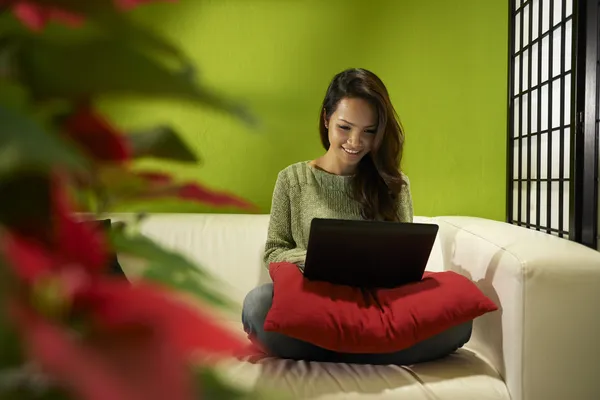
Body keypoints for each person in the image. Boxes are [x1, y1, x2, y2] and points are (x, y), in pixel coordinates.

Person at [242, 68, 472, 364]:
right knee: (258, 306)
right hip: (319, 303)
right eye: (345, 127)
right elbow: (275, 251)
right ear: (326, 119)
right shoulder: (292, 179)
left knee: (461, 321)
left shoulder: (393, 183)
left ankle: (337, 349)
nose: (355, 141)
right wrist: (315, 258)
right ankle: (376, 351)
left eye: (369, 131)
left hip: (378, 306)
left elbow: (405, 261)